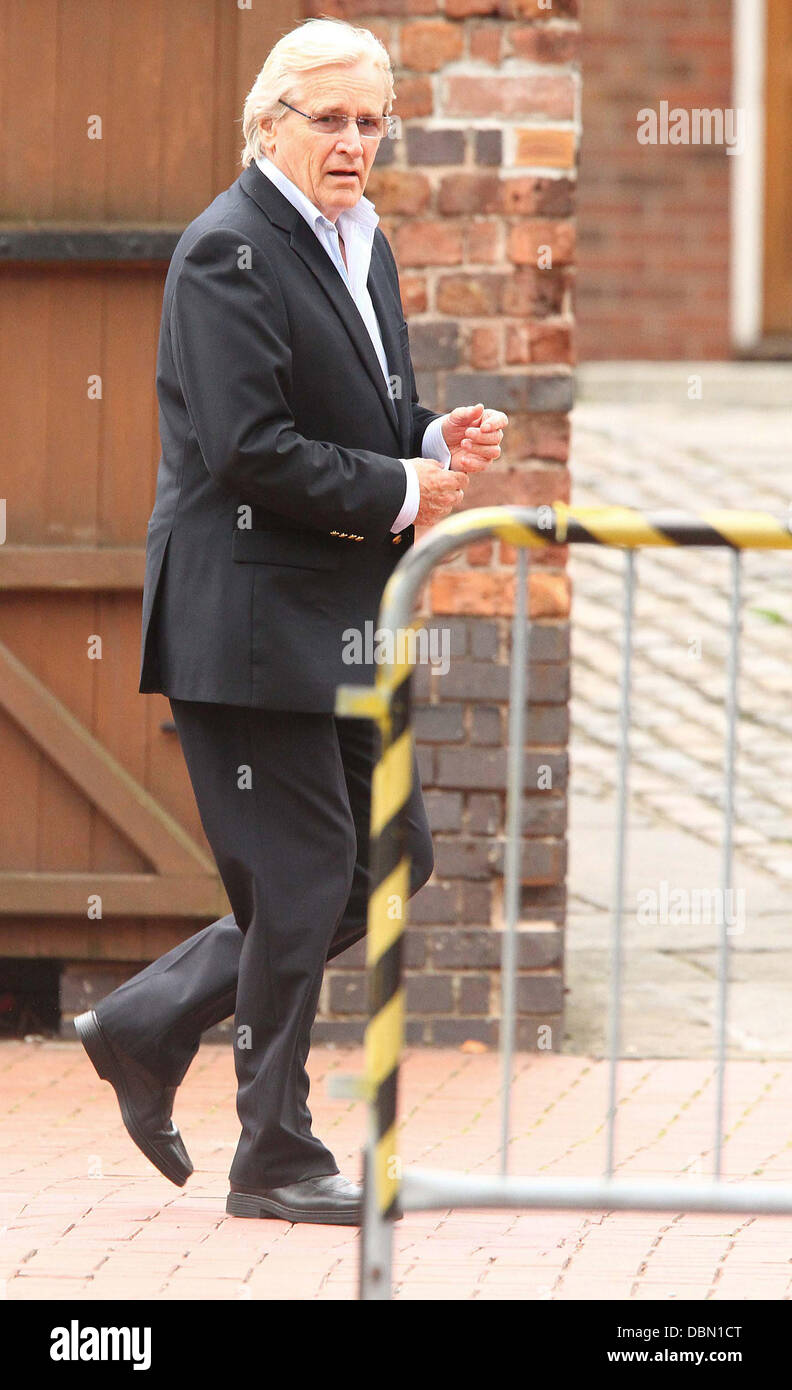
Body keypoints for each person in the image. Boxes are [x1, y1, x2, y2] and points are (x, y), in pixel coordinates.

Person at [75, 16, 508, 1226]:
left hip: (341, 619)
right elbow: (250, 447)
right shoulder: (228, 251)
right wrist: (400, 492)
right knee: (311, 877)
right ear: (270, 123)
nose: (356, 142)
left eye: (373, 121)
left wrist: (426, 438)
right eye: (332, 119)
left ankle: (145, 1020)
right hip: (248, 620)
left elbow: (360, 408)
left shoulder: (359, 243)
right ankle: (274, 1152)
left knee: (392, 853)